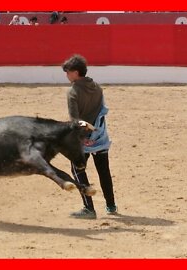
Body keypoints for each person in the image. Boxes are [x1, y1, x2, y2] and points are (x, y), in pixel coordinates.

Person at [62, 54, 117, 219]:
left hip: (83, 138)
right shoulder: (97, 87)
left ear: (76, 72)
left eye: (68, 72)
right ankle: (111, 205)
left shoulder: (72, 92)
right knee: (103, 170)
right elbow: (101, 111)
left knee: (77, 170)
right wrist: (95, 130)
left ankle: (89, 208)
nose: (66, 75)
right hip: (100, 136)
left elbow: (75, 120)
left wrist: (86, 132)